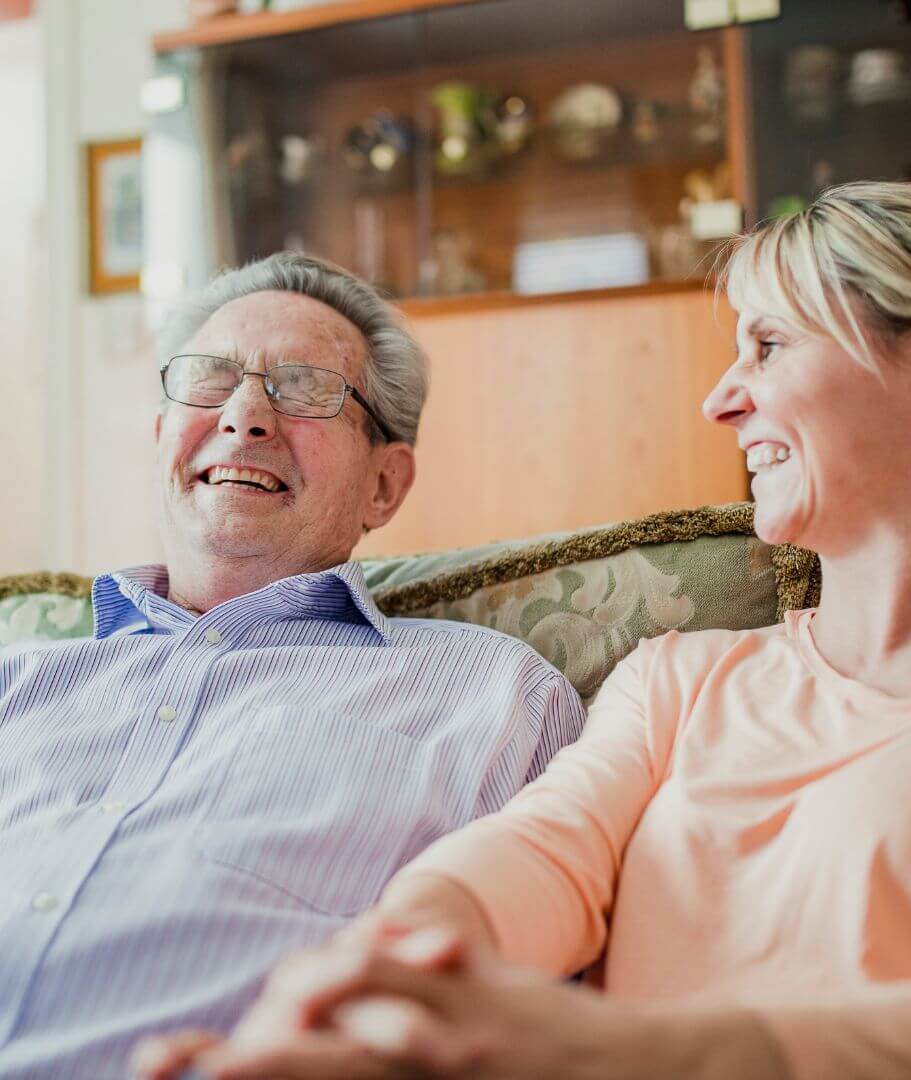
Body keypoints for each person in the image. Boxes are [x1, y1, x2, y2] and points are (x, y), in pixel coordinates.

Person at [139, 180, 911, 1080]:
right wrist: (386, 973)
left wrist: (625, 1055)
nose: (721, 399)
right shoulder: (683, 676)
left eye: (768, 346)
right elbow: (540, 852)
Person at [0, 253, 585, 1080]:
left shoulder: (493, 698)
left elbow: (528, 1013)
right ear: (163, 432)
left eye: (306, 386)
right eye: (208, 379)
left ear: (386, 483)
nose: (244, 415)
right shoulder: (17, 678)